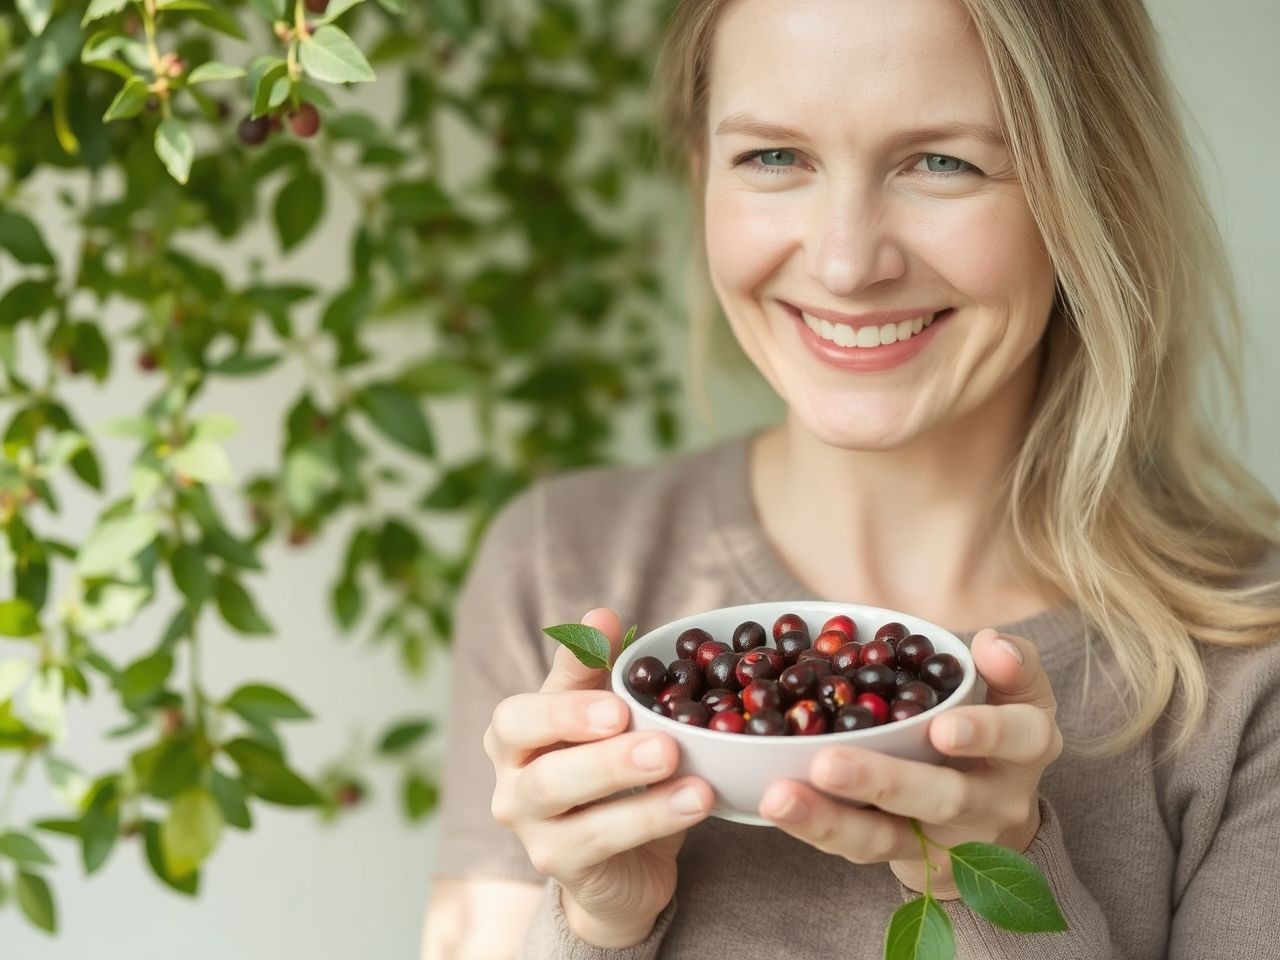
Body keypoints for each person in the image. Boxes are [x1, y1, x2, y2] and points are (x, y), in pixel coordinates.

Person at [420, 0, 1280, 956]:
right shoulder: (560, 564)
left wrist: (1001, 891)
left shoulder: (1250, 669)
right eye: (773, 158)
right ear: (702, 169)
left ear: (1095, 192)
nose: (844, 262)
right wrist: (595, 927)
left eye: (942, 162)